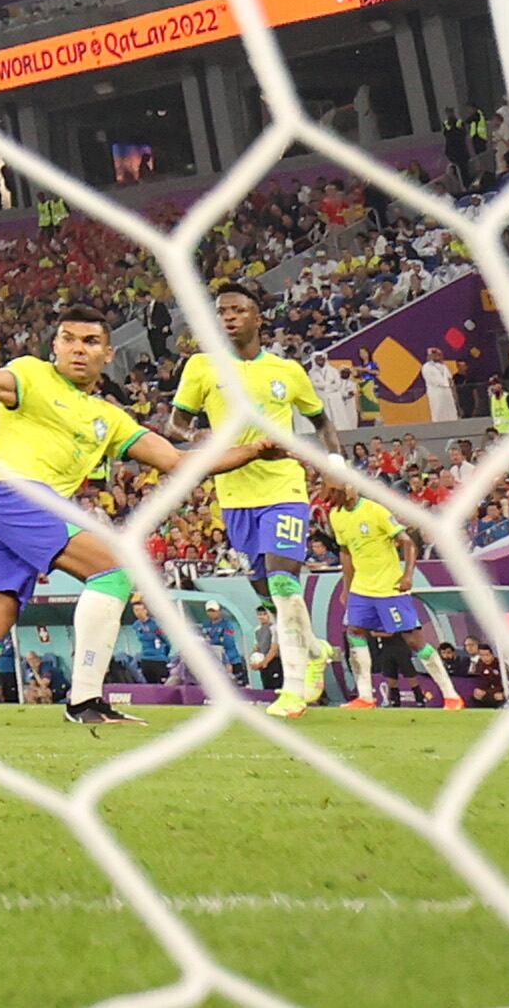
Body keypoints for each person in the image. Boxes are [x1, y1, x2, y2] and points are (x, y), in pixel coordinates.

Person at [0, 310, 277, 723]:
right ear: (55, 346)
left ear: (108, 354)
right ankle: (86, 700)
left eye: (90, 342)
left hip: (6, 507)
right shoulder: (31, 374)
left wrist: (254, 450)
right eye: (68, 339)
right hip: (9, 490)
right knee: (114, 570)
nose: (78, 349)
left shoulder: (109, 418)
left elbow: (178, 461)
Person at [170, 284, 331, 717]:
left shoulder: (286, 370)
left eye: (238, 310)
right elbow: (176, 424)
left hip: (284, 489)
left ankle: (293, 690)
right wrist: (198, 435)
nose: (228, 317)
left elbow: (321, 420)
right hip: (234, 496)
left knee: (283, 583)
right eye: (221, 311)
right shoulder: (201, 367)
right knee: (266, 592)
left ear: (258, 318)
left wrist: (335, 465)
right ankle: (315, 650)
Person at [318, 478, 464, 709]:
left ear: (348, 489)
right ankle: (365, 696)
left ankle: (451, 695)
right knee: (354, 632)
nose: (329, 501)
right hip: (361, 588)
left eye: (333, 495)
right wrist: (347, 587)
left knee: (413, 640)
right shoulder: (336, 516)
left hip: (389, 588)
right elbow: (346, 552)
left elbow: (407, 543)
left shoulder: (375, 511)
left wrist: (407, 575)